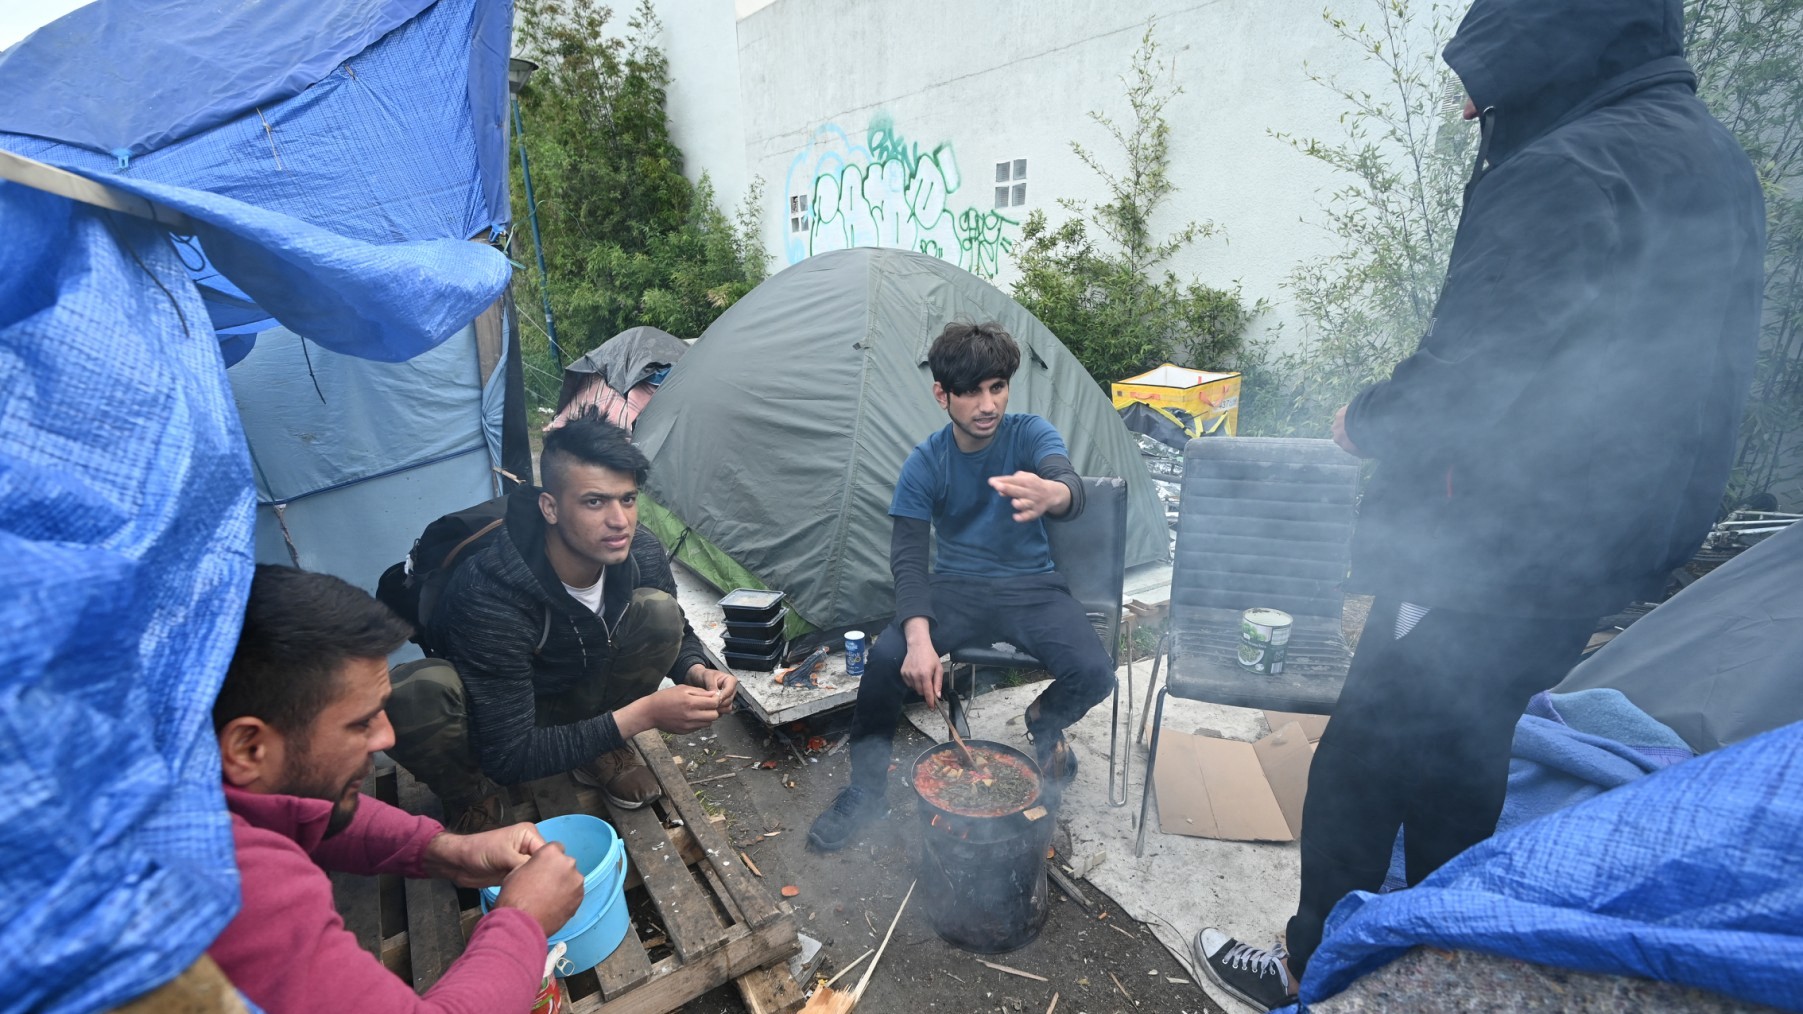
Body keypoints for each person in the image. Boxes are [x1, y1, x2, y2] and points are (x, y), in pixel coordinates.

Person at [1192, 0, 1768, 1008]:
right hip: (1608, 544)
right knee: (1469, 736)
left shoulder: (1567, 169)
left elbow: (1467, 381)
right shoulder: (1715, 161)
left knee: (1366, 756)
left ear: (1546, 52)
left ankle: (1312, 966)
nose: (1468, 112)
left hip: (1494, 539)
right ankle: (1442, 953)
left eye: (1483, 85)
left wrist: (1364, 419)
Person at [209, 565, 585, 1013]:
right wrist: (522, 922)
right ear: (249, 747)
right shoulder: (229, 884)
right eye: (360, 722)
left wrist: (442, 851)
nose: (386, 738)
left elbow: (305, 809)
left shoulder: (187, 758)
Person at [807, 321, 1117, 851]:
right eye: (971, 391)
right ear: (941, 394)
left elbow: (1066, 483)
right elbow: (907, 559)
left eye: (997, 387)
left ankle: (1044, 720)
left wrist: (1054, 495)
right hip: (956, 588)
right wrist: (920, 642)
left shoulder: (1029, 433)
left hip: (1032, 587)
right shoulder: (926, 462)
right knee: (885, 661)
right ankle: (866, 792)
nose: (987, 404)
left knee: (1095, 674)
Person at [386, 411, 737, 831]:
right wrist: (642, 715)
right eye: (594, 501)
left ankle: (594, 750)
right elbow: (509, 755)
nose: (619, 520)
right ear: (549, 507)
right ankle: (467, 792)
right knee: (414, 694)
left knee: (659, 612)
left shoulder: (638, 550)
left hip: (570, 679)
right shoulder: (490, 594)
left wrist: (697, 670)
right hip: (495, 711)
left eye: (627, 498)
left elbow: (680, 633)